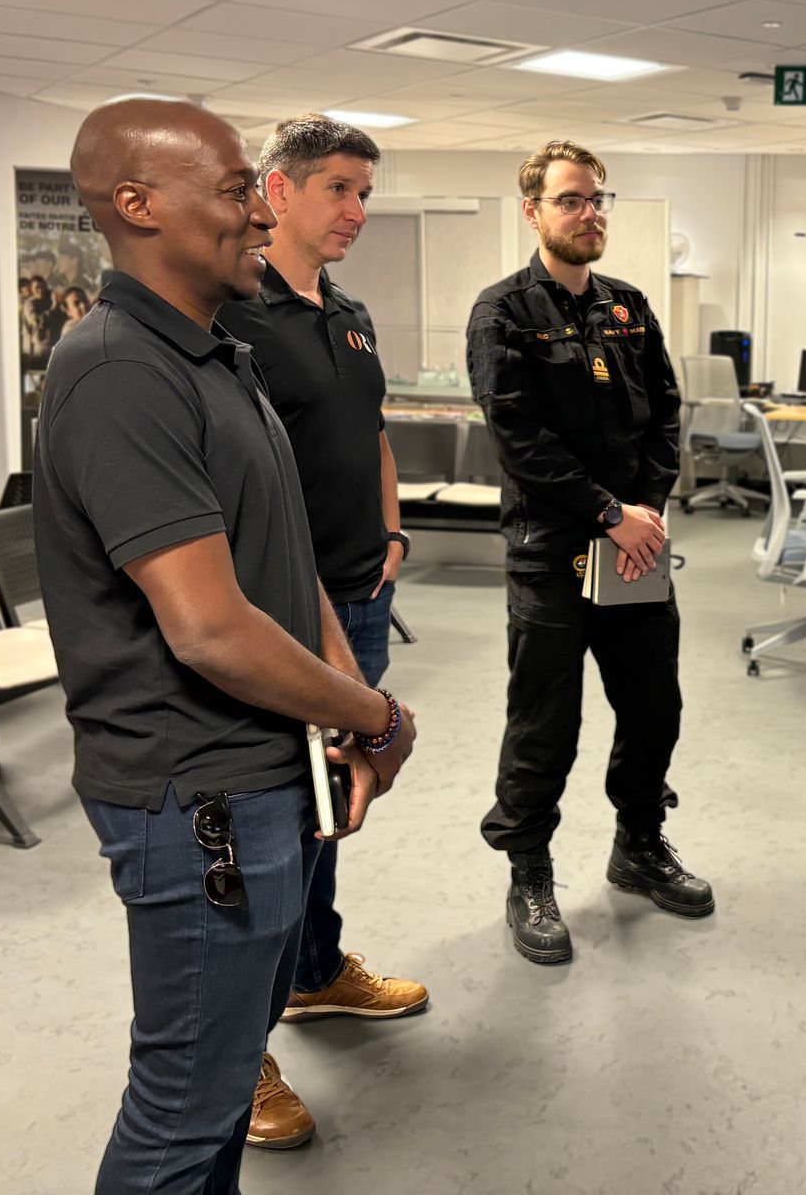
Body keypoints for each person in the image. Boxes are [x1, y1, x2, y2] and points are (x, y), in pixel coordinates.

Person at [35, 96, 417, 1193]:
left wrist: (347, 694)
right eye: (235, 188)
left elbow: (284, 565)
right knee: (185, 1109)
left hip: (261, 773)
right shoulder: (116, 370)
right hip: (191, 796)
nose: (260, 212)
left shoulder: (214, 353)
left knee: (207, 1120)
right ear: (137, 205)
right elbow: (207, 627)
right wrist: (378, 715)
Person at [218, 113, 430, 1150]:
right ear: (277, 191)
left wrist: (391, 533)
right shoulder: (233, 318)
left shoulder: (346, 313)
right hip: (283, 617)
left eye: (364, 193)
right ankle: (237, 1052)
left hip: (362, 596)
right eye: (339, 189)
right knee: (275, 828)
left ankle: (312, 973)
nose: (355, 211)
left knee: (336, 806)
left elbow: (372, 431)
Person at [465, 139, 712, 965]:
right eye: (572, 199)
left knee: (653, 708)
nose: (590, 213)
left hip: (634, 553)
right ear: (532, 210)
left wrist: (644, 511)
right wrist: (610, 512)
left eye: (599, 199)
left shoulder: (630, 308)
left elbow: (665, 420)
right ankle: (529, 872)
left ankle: (638, 844)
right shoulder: (502, 314)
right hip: (553, 553)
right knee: (546, 722)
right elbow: (520, 440)